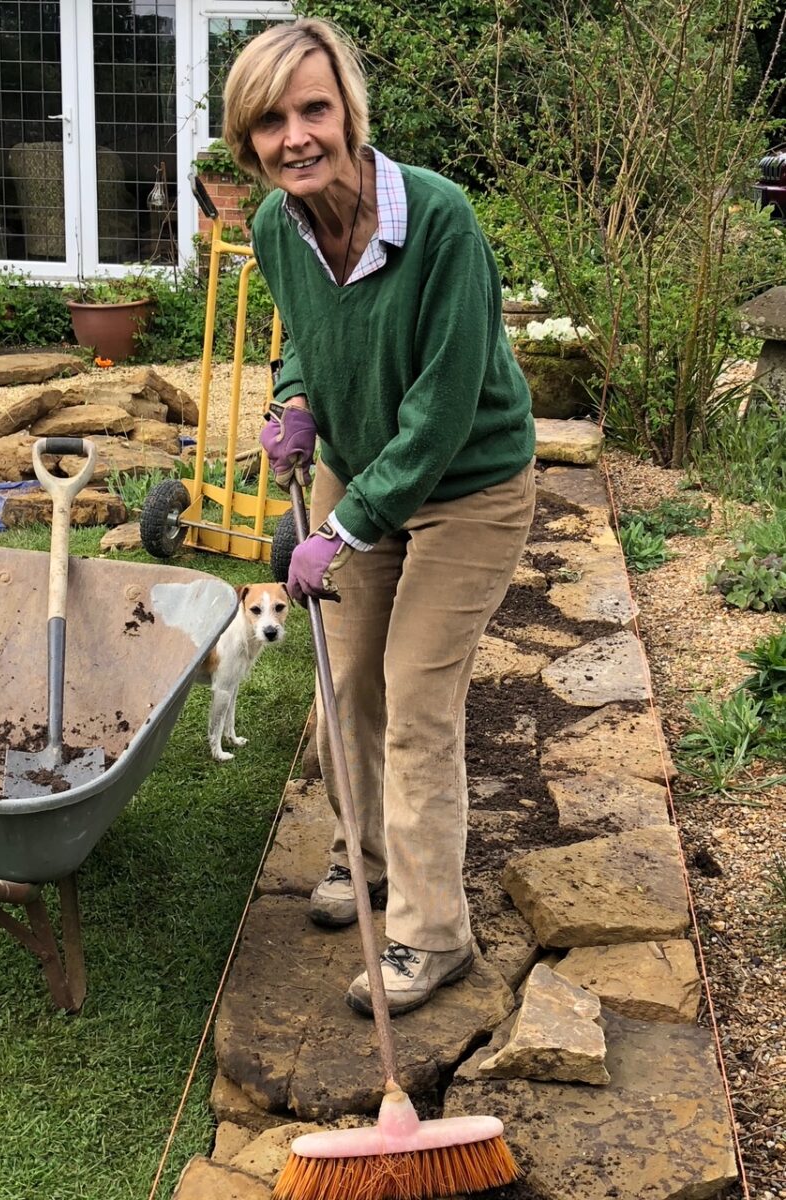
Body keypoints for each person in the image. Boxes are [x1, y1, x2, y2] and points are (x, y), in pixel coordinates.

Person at [223, 18, 536, 1017]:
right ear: (248, 140)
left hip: (468, 490)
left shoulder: (439, 221)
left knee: (415, 701)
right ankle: (362, 856)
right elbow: (304, 343)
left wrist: (344, 523)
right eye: (270, 120)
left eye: (314, 108)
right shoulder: (279, 224)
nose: (296, 136)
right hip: (359, 483)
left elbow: (443, 413)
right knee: (346, 684)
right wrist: (298, 399)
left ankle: (431, 935)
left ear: (351, 111)